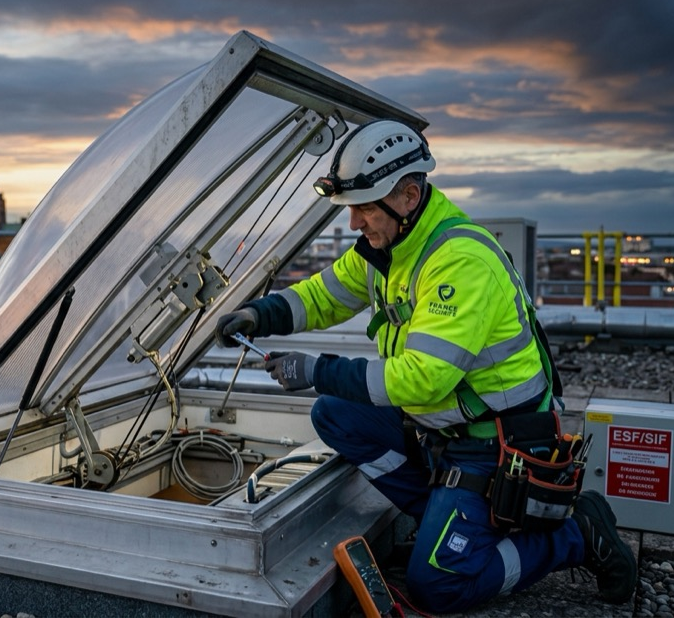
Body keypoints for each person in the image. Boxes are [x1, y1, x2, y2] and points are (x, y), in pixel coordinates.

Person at [214, 119, 637, 613]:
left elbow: (423, 378)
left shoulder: (458, 261)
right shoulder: (388, 248)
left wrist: (315, 368)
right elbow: (325, 294)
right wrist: (259, 314)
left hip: (496, 445)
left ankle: (575, 535)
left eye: (364, 209)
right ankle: (444, 515)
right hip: (444, 430)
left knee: (437, 587)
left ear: (409, 197)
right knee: (334, 414)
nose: (354, 224)